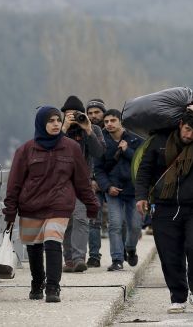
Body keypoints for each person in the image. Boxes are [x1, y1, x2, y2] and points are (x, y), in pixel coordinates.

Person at [3, 106, 99, 303]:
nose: (56, 124)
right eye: (51, 121)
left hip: (59, 205)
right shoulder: (26, 150)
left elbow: (81, 180)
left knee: (53, 242)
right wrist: (10, 211)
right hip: (31, 206)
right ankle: (37, 282)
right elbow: (15, 183)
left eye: (58, 120)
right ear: (41, 124)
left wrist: (91, 204)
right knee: (34, 247)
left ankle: (53, 287)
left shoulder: (71, 147)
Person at [135, 105, 193, 314]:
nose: (190, 135)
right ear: (180, 125)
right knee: (169, 255)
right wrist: (141, 196)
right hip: (164, 207)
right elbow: (144, 170)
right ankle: (178, 297)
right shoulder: (159, 141)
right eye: (187, 130)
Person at [94, 109, 144, 271]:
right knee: (114, 224)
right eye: (107, 121)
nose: (109, 124)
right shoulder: (101, 142)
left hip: (135, 190)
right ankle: (117, 259)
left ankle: (130, 248)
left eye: (113, 120)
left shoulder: (136, 139)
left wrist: (126, 150)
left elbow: (142, 163)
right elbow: (99, 169)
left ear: (121, 121)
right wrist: (107, 187)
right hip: (113, 191)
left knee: (135, 226)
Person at [60, 95, 106, 273]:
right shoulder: (58, 128)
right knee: (67, 221)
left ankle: (79, 259)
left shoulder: (92, 129)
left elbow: (99, 152)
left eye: (76, 114)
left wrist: (87, 130)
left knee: (81, 218)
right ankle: (69, 259)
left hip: (81, 182)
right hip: (61, 182)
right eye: (68, 114)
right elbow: (51, 149)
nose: (73, 118)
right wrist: (64, 127)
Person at [86, 98, 107, 268]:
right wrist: (93, 179)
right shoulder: (86, 132)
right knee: (94, 220)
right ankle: (94, 256)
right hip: (93, 183)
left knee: (119, 222)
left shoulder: (114, 131)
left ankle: (122, 251)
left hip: (113, 183)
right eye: (90, 113)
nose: (93, 116)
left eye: (97, 112)